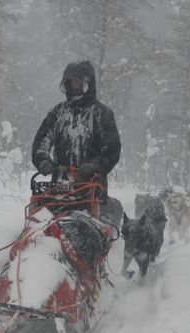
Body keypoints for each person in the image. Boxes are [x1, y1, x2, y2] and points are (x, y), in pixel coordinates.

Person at [31, 60, 122, 226]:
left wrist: (95, 165)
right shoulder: (57, 113)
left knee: (92, 232)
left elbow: (112, 151)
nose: (74, 87)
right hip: (59, 190)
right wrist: (43, 161)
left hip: (92, 190)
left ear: (88, 85)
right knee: (46, 226)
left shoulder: (102, 114)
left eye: (79, 83)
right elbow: (41, 142)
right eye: (71, 83)